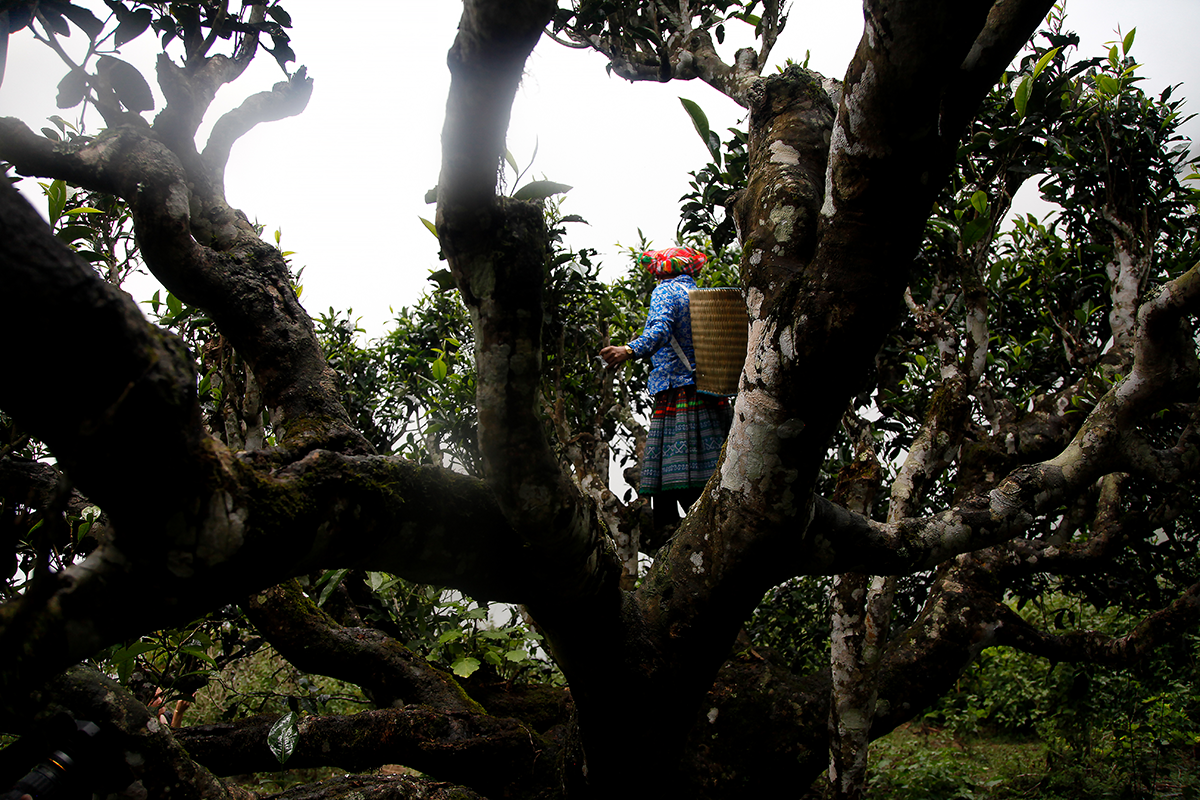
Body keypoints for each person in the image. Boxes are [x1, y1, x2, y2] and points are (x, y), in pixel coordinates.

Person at [600, 247, 732, 546]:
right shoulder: (699, 293)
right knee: (711, 467)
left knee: (677, 472)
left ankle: (687, 531)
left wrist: (628, 350)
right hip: (710, 390)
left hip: (678, 392)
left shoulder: (665, 293)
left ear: (659, 271)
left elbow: (659, 330)